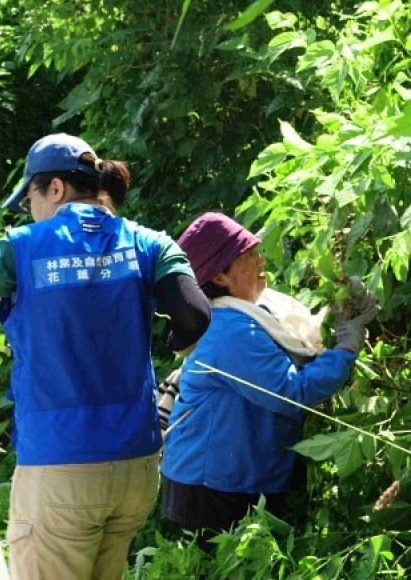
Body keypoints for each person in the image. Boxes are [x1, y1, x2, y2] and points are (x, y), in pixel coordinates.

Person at [0, 133, 211, 580]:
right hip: (136, 465)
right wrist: (171, 341)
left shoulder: (23, 246)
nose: (29, 210)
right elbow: (194, 314)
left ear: (54, 189)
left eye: (30, 196)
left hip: (61, 468)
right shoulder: (149, 243)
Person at [159, 212, 379, 550]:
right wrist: (347, 348)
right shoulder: (229, 328)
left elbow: (302, 337)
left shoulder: (255, 309)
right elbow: (291, 391)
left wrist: (343, 313)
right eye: (248, 256)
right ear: (220, 276)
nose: (261, 259)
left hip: (237, 478)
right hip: (214, 488)